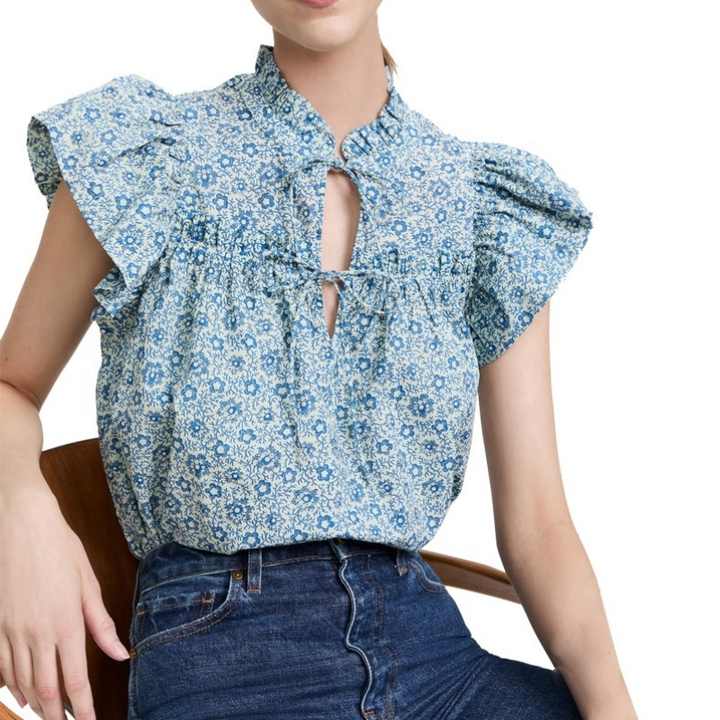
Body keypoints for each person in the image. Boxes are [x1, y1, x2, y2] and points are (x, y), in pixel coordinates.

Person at [0, 2, 637, 719]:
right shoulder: (148, 159)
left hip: (435, 659)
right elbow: (10, 386)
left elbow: (540, 527)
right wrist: (19, 510)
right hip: (229, 661)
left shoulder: (481, 206)